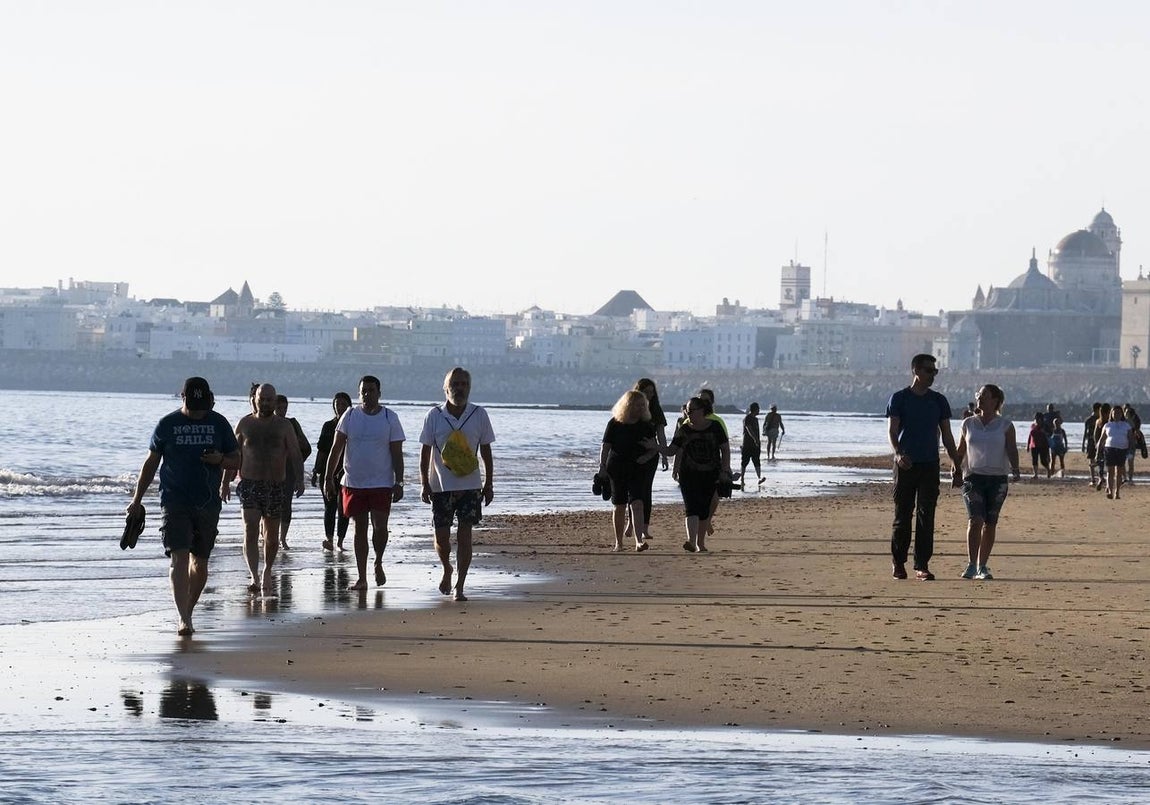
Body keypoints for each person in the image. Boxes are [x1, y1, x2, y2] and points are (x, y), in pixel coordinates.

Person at [126, 377, 240, 636]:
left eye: (202, 407)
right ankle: (183, 617)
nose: (199, 413)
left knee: (200, 562)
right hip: (174, 500)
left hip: (208, 502)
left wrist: (220, 459)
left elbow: (236, 459)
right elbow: (151, 464)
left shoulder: (219, 423)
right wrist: (136, 500)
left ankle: (188, 607)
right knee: (179, 556)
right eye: (193, 406)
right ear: (183, 398)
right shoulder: (167, 424)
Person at [418, 367, 495, 601]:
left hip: (470, 486)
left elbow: (486, 451)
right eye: (455, 384)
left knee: (465, 535)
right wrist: (424, 482)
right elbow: (424, 451)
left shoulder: (479, 414)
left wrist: (489, 483)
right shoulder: (434, 415)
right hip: (441, 487)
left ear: (469, 388)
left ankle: (460, 586)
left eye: (464, 384)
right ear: (446, 388)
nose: (459, 388)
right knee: (441, 538)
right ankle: (447, 568)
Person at [222, 383, 305, 594]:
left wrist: (300, 479)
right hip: (249, 484)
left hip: (276, 485)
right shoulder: (245, 423)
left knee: (271, 535)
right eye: (262, 398)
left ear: (275, 401)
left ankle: (267, 569)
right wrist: (224, 483)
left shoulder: (284, 426)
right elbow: (233, 455)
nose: (265, 403)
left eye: (269, 399)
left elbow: (295, 453)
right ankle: (254, 575)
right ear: (255, 399)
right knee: (250, 529)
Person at [325, 375, 405, 591]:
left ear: (379, 393)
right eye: (363, 391)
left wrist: (399, 482)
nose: (367, 395)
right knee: (359, 529)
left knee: (380, 528)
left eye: (371, 390)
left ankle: (378, 560)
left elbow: (397, 453)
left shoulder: (389, 417)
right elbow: (336, 448)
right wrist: (328, 478)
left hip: (381, 483)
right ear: (358, 394)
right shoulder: (350, 416)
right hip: (353, 482)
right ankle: (362, 577)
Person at [886, 353, 959, 581]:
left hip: (930, 464)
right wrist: (898, 453)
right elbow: (892, 431)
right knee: (903, 515)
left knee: (927, 516)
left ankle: (922, 565)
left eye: (935, 371)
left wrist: (957, 464)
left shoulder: (938, 401)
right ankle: (898, 562)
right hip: (906, 464)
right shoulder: (899, 398)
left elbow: (947, 436)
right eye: (929, 371)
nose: (933, 375)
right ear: (916, 371)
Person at [954, 384, 1020, 581]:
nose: (980, 399)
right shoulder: (968, 424)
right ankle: (971, 564)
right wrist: (955, 469)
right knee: (975, 520)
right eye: (979, 395)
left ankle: (983, 566)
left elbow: (1012, 449)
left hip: (998, 480)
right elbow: (960, 449)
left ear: (996, 401)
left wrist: (1016, 469)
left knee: (990, 523)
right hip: (973, 477)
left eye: (984, 396)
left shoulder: (1005, 425)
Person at [598, 389, 659, 552]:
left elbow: (654, 448)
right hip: (617, 467)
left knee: (638, 503)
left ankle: (639, 541)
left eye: (643, 405)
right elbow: (605, 447)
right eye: (637, 405)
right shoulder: (615, 423)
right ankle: (619, 543)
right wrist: (602, 467)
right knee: (619, 505)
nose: (640, 408)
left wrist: (645, 458)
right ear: (627, 405)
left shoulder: (646, 426)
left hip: (638, 468)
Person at [668, 396, 732, 553]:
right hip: (688, 475)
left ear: (702, 411)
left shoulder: (715, 427)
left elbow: (725, 449)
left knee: (703, 510)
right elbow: (672, 450)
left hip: (711, 474)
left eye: (691, 411)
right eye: (686, 411)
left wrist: (724, 470)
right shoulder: (684, 429)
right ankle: (691, 541)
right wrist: (654, 446)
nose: (688, 413)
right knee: (691, 508)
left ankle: (700, 544)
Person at [625, 378, 669, 542]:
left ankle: (644, 527)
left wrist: (664, 454)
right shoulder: (631, 409)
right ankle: (631, 522)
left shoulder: (656, 410)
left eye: (652, 392)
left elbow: (661, 435)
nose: (649, 396)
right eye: (646, 392)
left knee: (645, 490)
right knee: (633, 490)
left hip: (651, 455)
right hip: (632, 455)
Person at [312, 391, 352, 553]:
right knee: (329, 507)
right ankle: (329, 539)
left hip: (346, 473)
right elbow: (322, 450)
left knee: (344, 509)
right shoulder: (328, 426)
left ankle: (340, 542)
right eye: (337, 405)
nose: (340, 408)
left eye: (343, 405)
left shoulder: (352, 425)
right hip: (327, 472)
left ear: (349, 406)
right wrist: (316, 470)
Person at [273, 394, 311, 550]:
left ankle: (282, 538)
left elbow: (306, 449)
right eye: (279, 408)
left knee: (286, 504)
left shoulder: (292, 424)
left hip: (288, 469)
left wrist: (298, 472)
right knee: (268, 503)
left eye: (284, 408)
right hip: (270, 469)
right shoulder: (267, 423)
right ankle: (269, 536)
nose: (282, 411)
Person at [1098, 404, 1132, 500]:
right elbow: (1101, 439)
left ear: (1122, 414)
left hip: (1122, 449)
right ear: (1111, 414)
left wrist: (1130, 450)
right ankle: (1110, 491)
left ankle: (1117, 492)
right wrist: (1098, 452)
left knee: (1119, 471)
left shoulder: (1126, 425)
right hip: (1109, 449)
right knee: (1110, 471)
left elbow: (1131, 439)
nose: (1117, 414)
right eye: (1115, 413)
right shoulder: (1107, 425)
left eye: (1119, 413)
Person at [738, 402, 766, 487]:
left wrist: (757, 441)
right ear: (755, 409)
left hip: (755, 445)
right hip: (747, 444)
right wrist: (755, 439)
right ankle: (742, 478)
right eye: (758, 409)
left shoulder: (756, 419)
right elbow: (749, 429)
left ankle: (759, 478)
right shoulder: (748, 418)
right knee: (744, 462)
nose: (759, 410)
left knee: (757, 461)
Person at [1092, 403, 1112, 490]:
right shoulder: (1110, 422)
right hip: (1108, 446)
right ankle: (1106, 483)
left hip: (1101, 446)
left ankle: (1101, 479)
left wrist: (1097, 444)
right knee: (1108, 465)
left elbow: (1095, 435)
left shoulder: (1098, 421)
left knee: (1100, 464)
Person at [1082, 402, 1102, 488]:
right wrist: (1083, 443)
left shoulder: (1099, 419)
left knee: (1097, 460)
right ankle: (1094, 479)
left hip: (1097, 441)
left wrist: (1083, 443)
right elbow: (1085, 432)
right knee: (1092, 460)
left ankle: (1097, 478)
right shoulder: (1091, 420)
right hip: (1092, 441)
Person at [1026, 413, 1051, 479]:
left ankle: (1048, 470)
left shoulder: (1045, 426)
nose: (1037, 420)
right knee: (1034, 460)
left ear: (1041, 419)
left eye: (1039, 419)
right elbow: (1030, 435)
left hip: (1043, 445)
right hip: (1033, 445)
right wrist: (1028, 445)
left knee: (1043, 461)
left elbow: (1050, 434)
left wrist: (1044, 432)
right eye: (1036, 418)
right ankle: (1035, 474)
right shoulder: (1033, 425)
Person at [1123, 404, 1143, 483]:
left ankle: (1130, 478)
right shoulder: (1122, 420)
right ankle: (1125, 478)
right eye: (1125, 410)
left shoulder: (1135, 420)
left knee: (1130, 462)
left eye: (1128, 411)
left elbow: (1138, 433)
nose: (1126, 412)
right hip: (1123, 444)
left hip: (1131, 445)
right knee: (1122, 463)